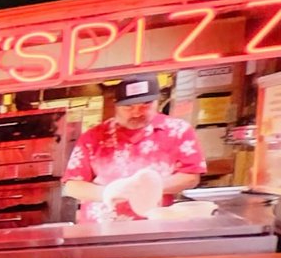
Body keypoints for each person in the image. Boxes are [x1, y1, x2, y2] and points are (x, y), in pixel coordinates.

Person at [63, 75, 206, 223]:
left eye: (146, 105)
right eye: (128, 107)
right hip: (101, 224)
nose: (137, 112)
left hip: (156, 223)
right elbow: (73, 186)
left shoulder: (178, 130)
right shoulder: (93, 137)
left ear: (158, 101)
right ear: (116, 104)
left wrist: (148, 187)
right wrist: (108, 192)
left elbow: (191, 176)